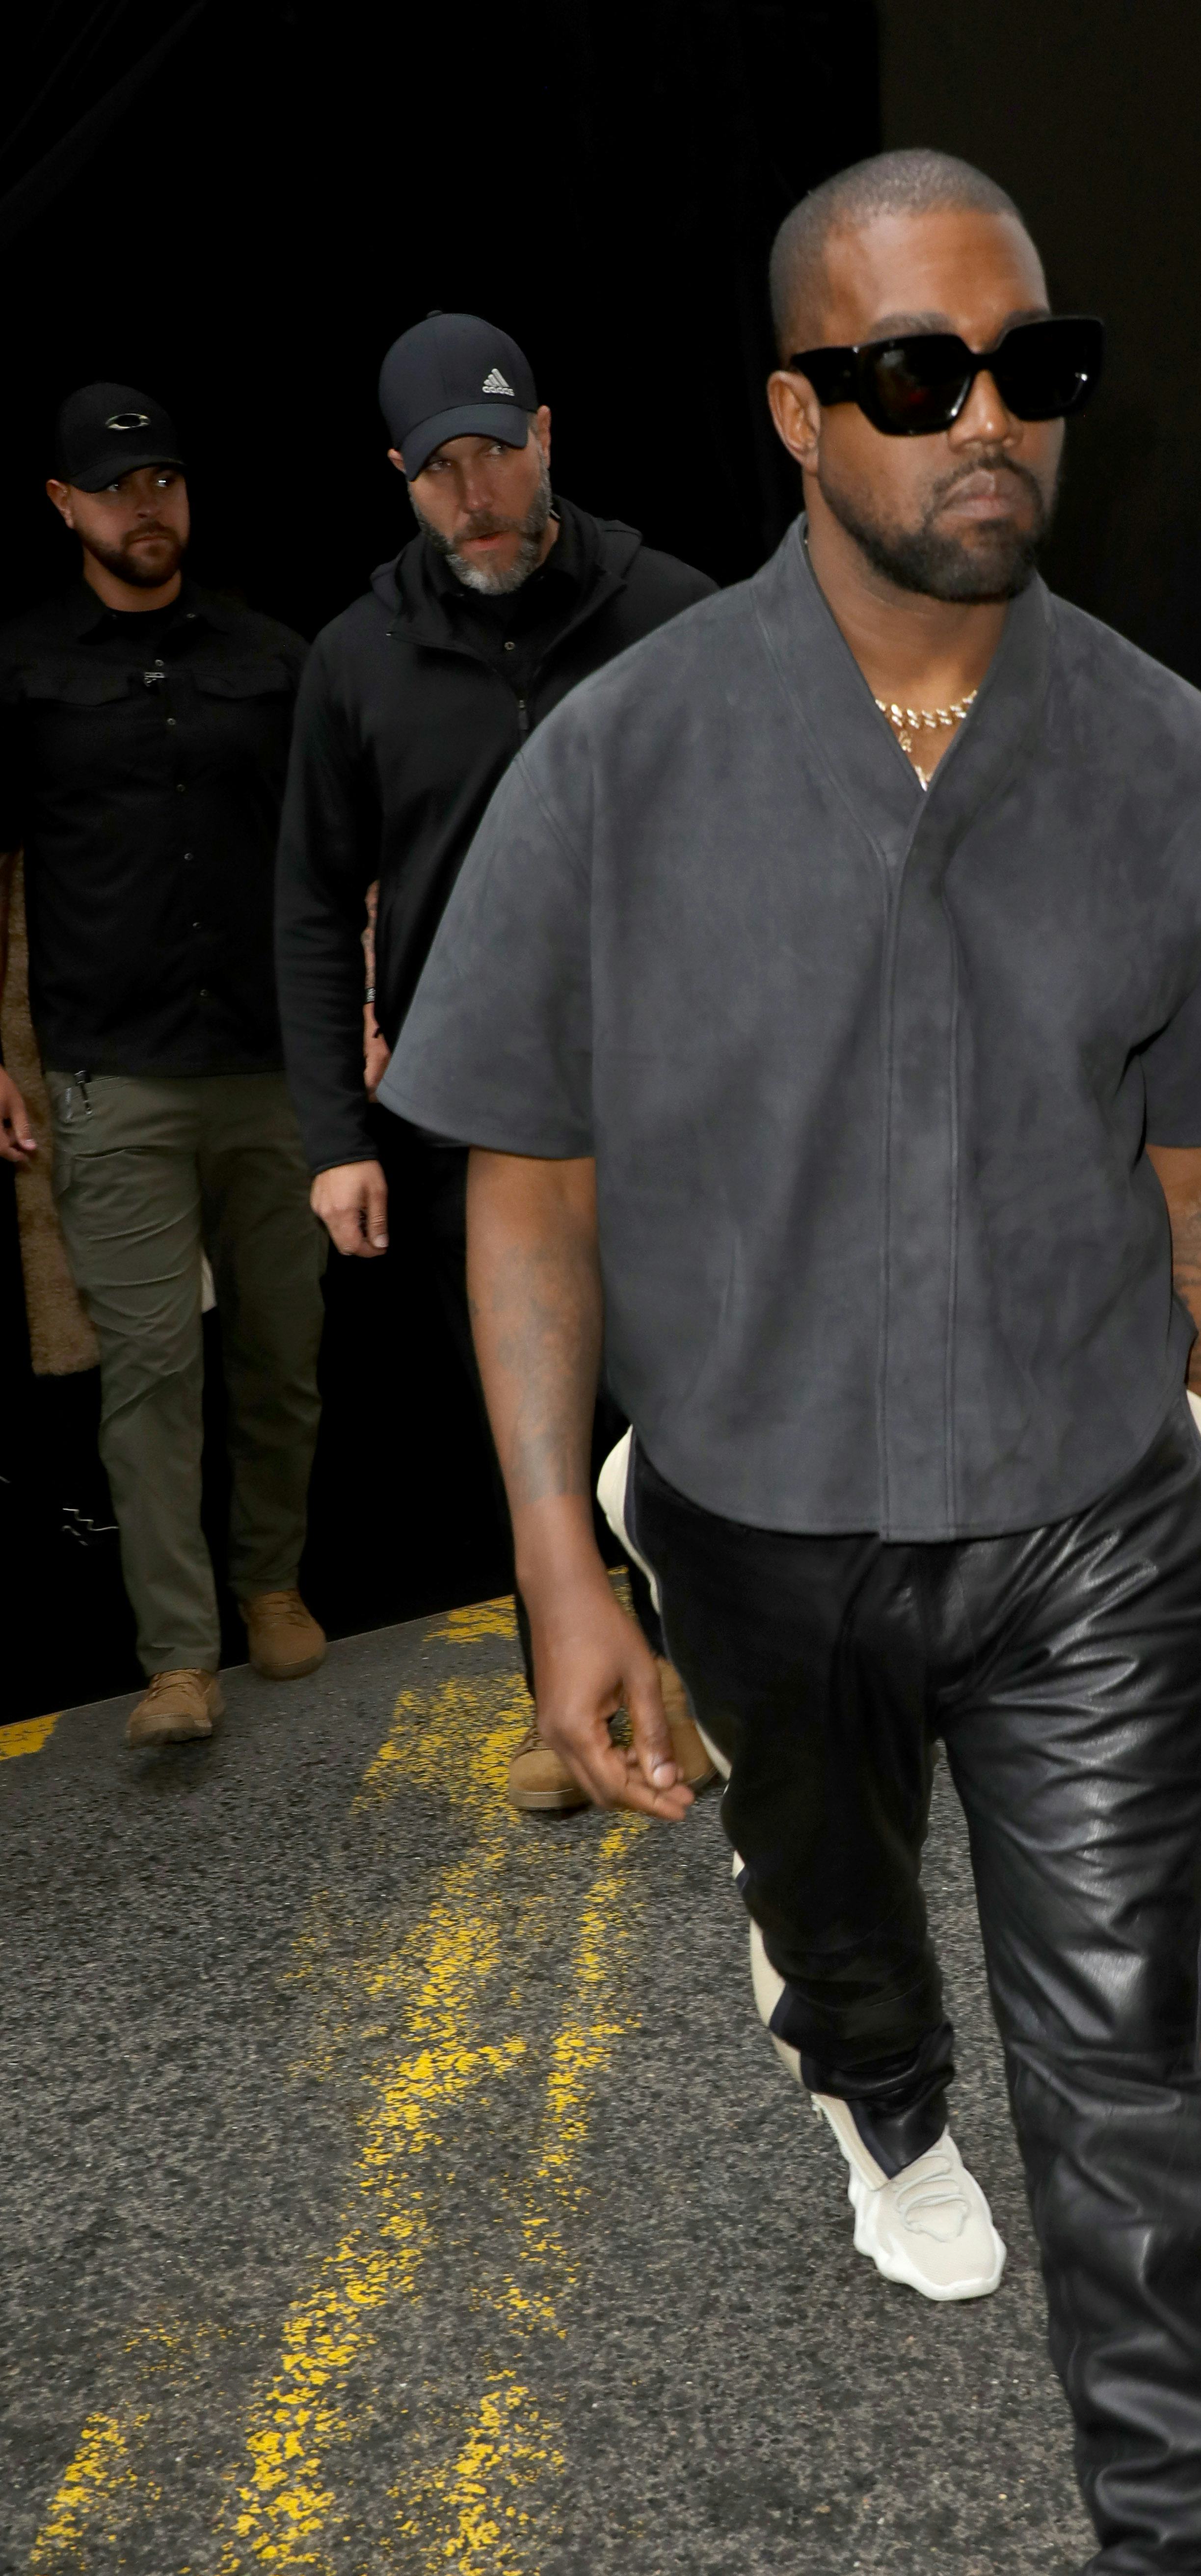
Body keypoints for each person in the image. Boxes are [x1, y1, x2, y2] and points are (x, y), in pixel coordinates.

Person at [381, 149, 1201, 2576]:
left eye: (1027, 370)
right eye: (915, 376)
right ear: (801, 412)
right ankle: (863, 2079)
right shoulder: (620, 761)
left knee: (1134, 2064)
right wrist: (555, 1564)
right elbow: (531, 1181)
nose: (986, 423)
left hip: (1078, 1512)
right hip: (745, 1513)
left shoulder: (1176, 768)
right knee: (843, 1924)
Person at [275, 315, 717, 1810]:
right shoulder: (355, 660)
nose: (477, 494)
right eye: (440, 469)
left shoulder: (675, 612)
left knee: (690, 1391)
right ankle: (564, 1708)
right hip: (474, 1116)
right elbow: (311, 906)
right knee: (536, 1405)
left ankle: (702, 1677)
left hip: (675, 1087)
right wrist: (336, 1132)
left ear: (549, 438)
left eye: (498, 453)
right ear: (400, 478)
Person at [0, 385, 324, 1748]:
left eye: (166, 482)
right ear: (65, 506)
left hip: (270, 1063)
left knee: (281, 1351)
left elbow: (334, 849)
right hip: (109, 1070)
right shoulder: (21, 668)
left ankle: (271, 1588)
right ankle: (178, 1657)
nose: (149, 508)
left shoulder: (270, 653)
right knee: (148, 1367)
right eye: (120, 488)